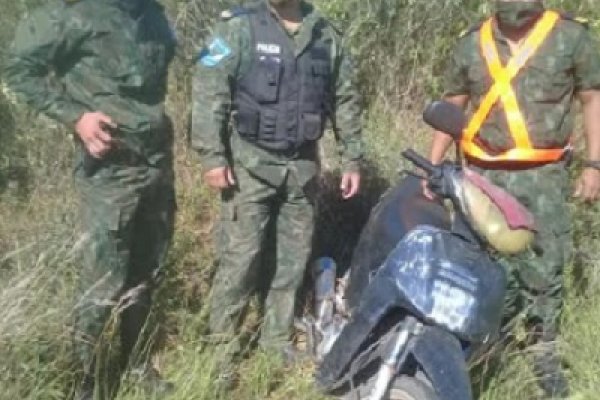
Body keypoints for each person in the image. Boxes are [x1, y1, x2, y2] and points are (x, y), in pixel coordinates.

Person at [425, 0, 600, 397]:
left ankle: (543, 347)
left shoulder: (572, 37)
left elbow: (593, 99)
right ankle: (483, 343)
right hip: (481, 175)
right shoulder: (472, 44)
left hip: (544, 177)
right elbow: (451, 105)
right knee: (477, 261)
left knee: (545, 262)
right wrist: (431, 167)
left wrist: (594, 164)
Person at [4, 0, 177, 398]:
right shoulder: (76, 13)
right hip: (110, 173)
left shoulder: (153, 14)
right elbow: (17, 69)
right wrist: (75, 117)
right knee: (103, 283)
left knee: (146, 275)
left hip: (156, 167)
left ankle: (136, 367)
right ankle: (86, 382)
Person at [191, 0, 363, 384]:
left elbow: (345, 98)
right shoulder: (238, 28)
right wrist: (212, 156)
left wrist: (352, 159)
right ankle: (221, 348)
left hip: (301, 170)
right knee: (241, 259)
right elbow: (208, 88)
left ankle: (276, 340)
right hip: (249, 168)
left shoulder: (325, 34)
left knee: (292, 260)